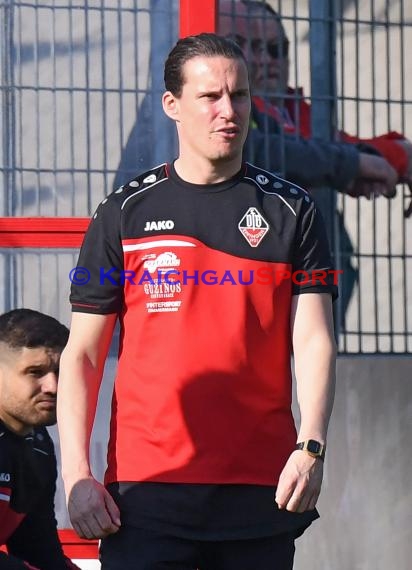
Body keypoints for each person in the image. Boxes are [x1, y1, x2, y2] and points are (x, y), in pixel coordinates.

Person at [58, 33, 337, 569]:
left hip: (262, 486)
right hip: (146, 491)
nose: (227, 111)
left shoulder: (292, 211)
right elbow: (83, 355)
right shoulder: (122, 212)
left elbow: (314, 338)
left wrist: (311, 446)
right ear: (172, 105)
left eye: (239, 96)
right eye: (210, 97)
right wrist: (76, 476)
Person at [0, 309, 80, 570]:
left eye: (60, 372)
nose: (53, 386)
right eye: (35, 372)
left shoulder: (39, 444)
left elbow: (37, 546)